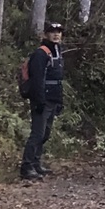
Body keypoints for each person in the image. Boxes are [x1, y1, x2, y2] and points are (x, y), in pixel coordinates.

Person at [19, 20, 66, 181]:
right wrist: (39, 101)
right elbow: (37, 79)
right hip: (42, 99)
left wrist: (60, 102)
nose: (56, 34)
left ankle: (36, 163)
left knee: (45, 134)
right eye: (53, 31)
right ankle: (26, 166)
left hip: (53, 98)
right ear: (46, 34)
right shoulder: (41, 53)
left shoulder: (58, 51)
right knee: (37, 133)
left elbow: (58, 79)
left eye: (59, 32)